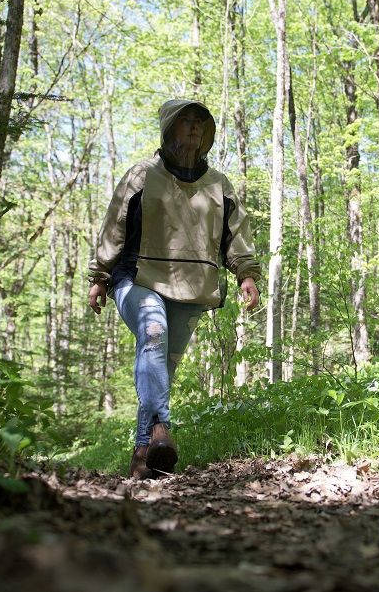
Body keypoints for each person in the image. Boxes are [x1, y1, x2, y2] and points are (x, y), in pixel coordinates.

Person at [88, 99, 262, 480]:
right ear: (169, 129)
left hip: (192, 285)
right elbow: (114, 226)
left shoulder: (218, 184)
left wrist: (246, 274)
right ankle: (161, 429)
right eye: (186, 121)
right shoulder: (141, 176)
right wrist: (100, 276)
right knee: (153, 330)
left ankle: (141, 457)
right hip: (136, 278)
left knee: (161, 369)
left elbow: (236, 235)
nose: (194, 128)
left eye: (200, 122)